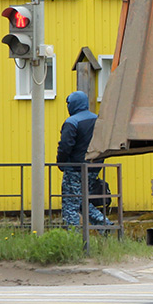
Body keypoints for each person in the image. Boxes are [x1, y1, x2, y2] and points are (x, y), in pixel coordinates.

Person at [57, 90, 112, 227]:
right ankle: (105, 226)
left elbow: (65, 146)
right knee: (82, 201)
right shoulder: (97, 120)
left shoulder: (72, 122)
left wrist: (61, 163)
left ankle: (73, 236)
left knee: (70, 203)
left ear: (73, 104)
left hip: (75, 169)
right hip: (94, 167)